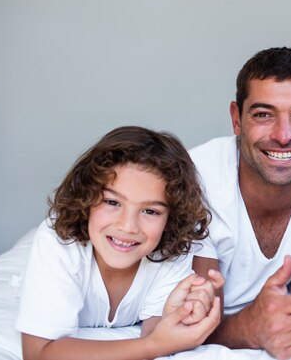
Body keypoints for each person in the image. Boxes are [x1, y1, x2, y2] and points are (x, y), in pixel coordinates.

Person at [189, 47, 291, 360]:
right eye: (264, 114)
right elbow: (192, 325)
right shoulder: (198, 179)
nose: (283, 135)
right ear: (237, 119)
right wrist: (253, 327)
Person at [15, 126, 224, 360]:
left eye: (150, 211)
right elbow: (38, 353)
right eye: (113, 202)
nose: (128, 226)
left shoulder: (171, 250)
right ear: (86, 198)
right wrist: (151, 345)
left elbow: (161, 336)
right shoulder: (59, 241)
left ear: (170, 220)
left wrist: (176, 316)